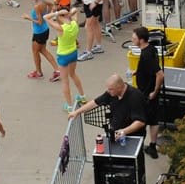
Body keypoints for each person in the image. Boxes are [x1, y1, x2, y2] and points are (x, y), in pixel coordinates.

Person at [68, 73, 147, 144]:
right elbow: (95, 102)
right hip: (116, 134)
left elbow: (140, 122)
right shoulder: (111, 93)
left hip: (133, 137)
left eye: (111, 89)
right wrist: (77, 112)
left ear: (119, 87)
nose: (108, 91)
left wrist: (123, 131)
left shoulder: (135, 97)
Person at [131, 27, 165, 158]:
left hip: (147, 93)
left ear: (141, 40)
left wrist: (154, 92)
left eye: (134, 38)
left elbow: (160, 74)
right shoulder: (151, 49)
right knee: (153, 119)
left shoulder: (145, 55)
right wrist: (138, 71)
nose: (132, 40)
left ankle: (139, 146)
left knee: (141, 120)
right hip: (149, 91)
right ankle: (152, 145)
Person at [44, 6, 86, 112]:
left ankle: (69, 105)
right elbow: (75, 9)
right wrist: (69, 14)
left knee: (65, 81)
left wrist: (57, 13)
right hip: (73, 53)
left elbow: (45, 17)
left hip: (63, 56)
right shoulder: (74, 23)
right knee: (73, 74)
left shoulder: (60, 28)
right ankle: (82, 95)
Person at [22, 0, 61, 82]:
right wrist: (47, 14)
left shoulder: (37, 6)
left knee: (35, 52)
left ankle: (39, 72)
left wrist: (28, 18)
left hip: (39, 32)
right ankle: (57, 69)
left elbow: (39, 22)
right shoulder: (43, 1)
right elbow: (52, 5)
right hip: (45, 30)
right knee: (43, 50)